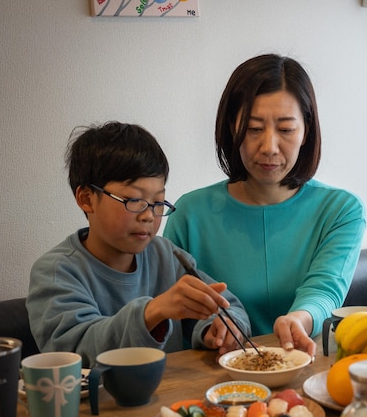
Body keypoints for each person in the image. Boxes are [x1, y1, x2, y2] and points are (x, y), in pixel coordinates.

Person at [164, 54, 366, 358]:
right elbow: (175, 309)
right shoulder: (190, 214)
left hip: (308, 368)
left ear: (306, 131)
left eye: (285, 129)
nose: (269, 146)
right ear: (232, 127)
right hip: (214, 379)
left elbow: (325, 290)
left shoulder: (341, 210)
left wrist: (298, 319)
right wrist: (210, 330)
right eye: (254, 128)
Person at [27, 122, 252, 366]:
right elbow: (76, 352)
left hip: (169, 398)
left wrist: (222, 328)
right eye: (134, 200)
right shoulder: (56, 272)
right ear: (86, 199)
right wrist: (152, 312)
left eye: (158, 202)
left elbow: (229, 308)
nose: (148, 215)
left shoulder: (166, 255)